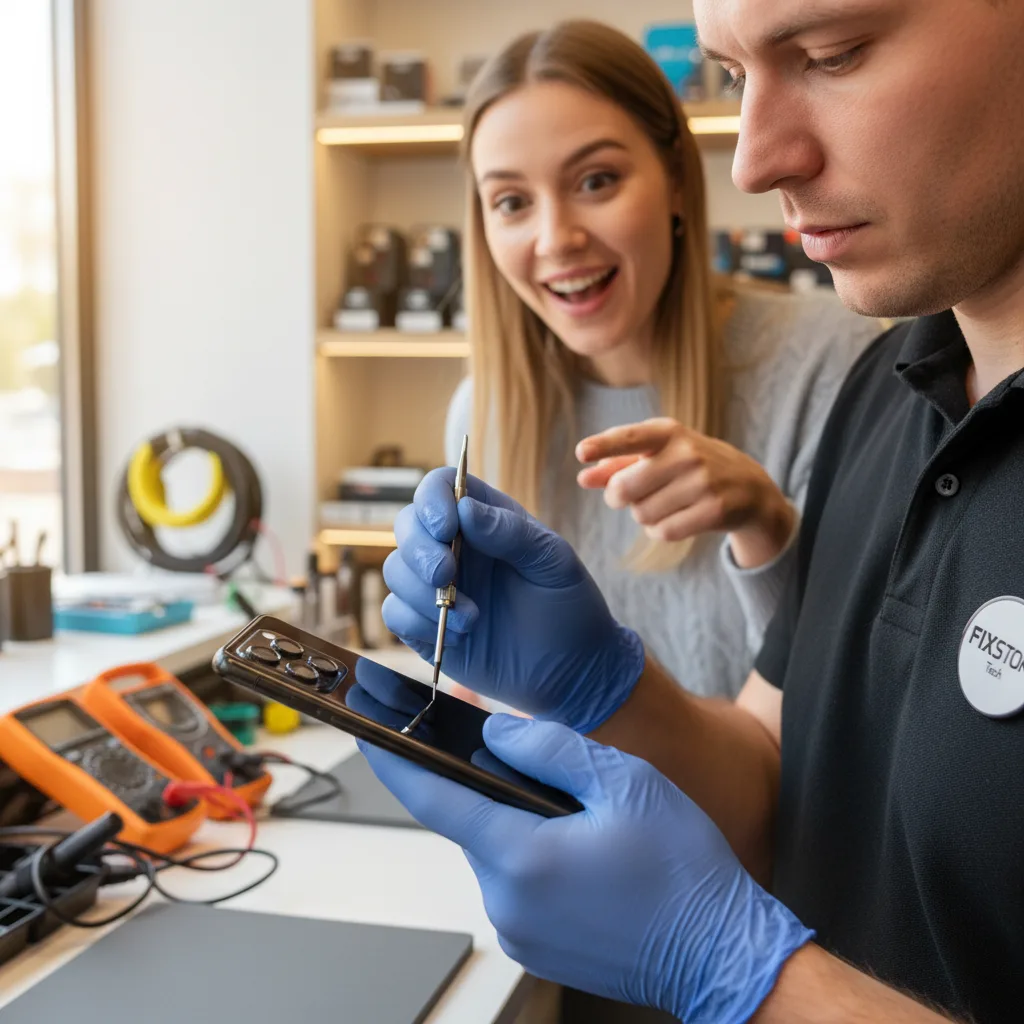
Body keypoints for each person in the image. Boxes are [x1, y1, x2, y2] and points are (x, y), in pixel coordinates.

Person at [367, 0, 1024, 1021]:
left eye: (831, 54)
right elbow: (777, 779)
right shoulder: (889, 391)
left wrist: (743, 971)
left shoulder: (824, 361)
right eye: (730, 78)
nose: (754, 160)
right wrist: (609, 691)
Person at [440, 19, 880, 698]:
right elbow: (483, 696)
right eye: (511, 202)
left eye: (596, 181)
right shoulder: (481, 411)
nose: (556, 239)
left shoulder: (838, 365)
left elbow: (855, 701)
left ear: (676, 178)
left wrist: (766, 527)